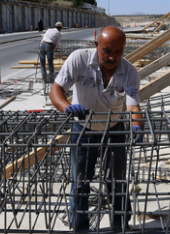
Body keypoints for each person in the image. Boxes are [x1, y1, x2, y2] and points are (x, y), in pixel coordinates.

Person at [49, 26, 143, 232]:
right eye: (107, 50)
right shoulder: (79, 60)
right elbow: (56, 90)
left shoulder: (129, 72)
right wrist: (67, 107)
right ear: (96, 45)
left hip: (114, 130)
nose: (113, 57)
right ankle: (80, 228)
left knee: (117, 182)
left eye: (119, 51)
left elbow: (133, 105)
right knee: (80, 181)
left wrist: (136, 125)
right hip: (83, 130)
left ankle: (120, 226)